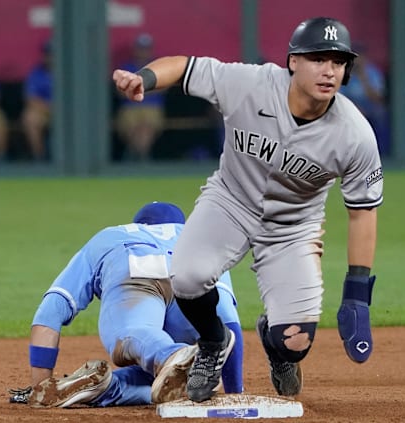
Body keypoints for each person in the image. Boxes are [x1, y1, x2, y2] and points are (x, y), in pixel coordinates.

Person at [113, 16, 383, 403]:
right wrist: (145, 78)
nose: (329, 70)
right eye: (317, 59)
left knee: (295, 341)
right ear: (293, 61)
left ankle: (276, 346)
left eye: (338, 62)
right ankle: (212, 342)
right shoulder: (251, 84)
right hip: (230, 202)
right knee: (187, 278)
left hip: (293, 227)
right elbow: (184, 66)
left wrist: (357, 293)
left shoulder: (354, 134)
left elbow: (363, 212)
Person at [9, 202, 243, 408]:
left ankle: (168, 356)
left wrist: (40, 387)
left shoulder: (111, 236)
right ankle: (116, 385)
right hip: (187, 280)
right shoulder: (198, 238)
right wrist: (235, 394)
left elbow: (51, 311)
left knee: (136, 334)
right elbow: (229, 325)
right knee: (195, 379)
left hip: (134, 272)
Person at [115, 33, 166, 161]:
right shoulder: (126, 67)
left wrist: (134, 89)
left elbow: (164, 87)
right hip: (130, 108)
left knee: (145, 129)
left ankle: (133, 157)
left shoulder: (157, 66)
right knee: (134, 129)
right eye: (140, 48)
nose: (143, 52)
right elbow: (120, 91)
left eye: (146, 49)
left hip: (152, 108)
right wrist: (149, 89)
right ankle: (142, 157)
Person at [340, 43, 390, 156]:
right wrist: (354, 109)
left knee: (380, 113)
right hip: (350, 108)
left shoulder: (373, 72)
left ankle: (382, 152)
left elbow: (378, 98)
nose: (357, 60)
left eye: (360, 57)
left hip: (370, 107)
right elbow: (338, 98)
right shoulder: (343, 72)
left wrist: (363, 77)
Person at [21, 40, 52, 161]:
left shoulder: (70, 72)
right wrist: (48, 108)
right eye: (48, 54)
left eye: (54, 54)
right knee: (30, 118)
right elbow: (30, 99)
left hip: (68, 112)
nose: (51, 58)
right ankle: (39, 157)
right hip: (43, 111)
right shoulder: (36, 73)